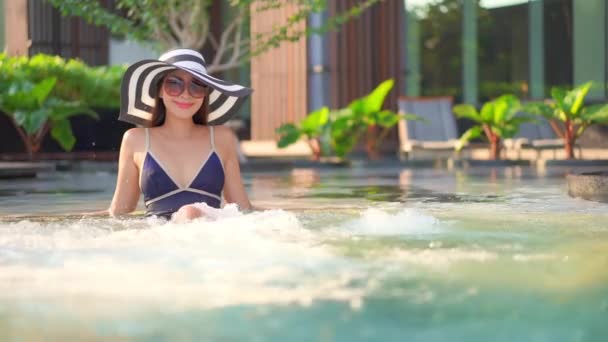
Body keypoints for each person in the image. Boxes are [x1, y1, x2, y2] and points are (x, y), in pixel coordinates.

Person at [106, 48, 253, 220]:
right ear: (159, 90)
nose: (185, 94)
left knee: (190, 213)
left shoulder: (222, 138)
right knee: (188, 213)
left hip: (209, 236)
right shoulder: (135, 140)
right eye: (174, 84)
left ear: (204, 94)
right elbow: (119, 214)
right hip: (158, 237)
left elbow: (242, 209)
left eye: (196, 86)